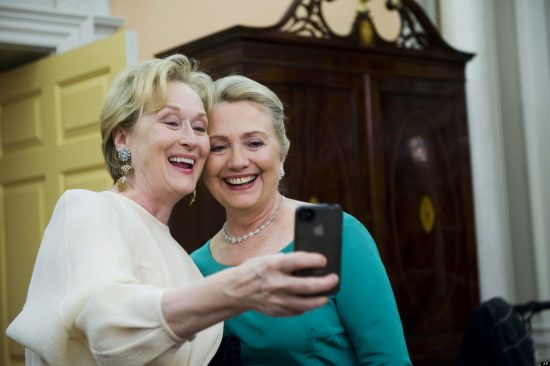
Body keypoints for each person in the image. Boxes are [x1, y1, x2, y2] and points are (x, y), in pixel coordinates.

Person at [5, 55, 339, 366]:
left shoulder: (185, 261)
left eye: (199, 127)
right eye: (171, 122)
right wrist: (239, 288)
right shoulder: (88, 209)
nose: (191, 140)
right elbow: (107, 327)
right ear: (122, 139)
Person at [192, 75, 412, 365]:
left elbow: (387, 360)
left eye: (254, 143)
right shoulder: (195, 267)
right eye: (219, 147)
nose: (237, 161)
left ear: (281, 153)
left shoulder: (329, 232)